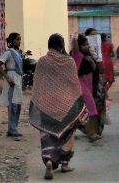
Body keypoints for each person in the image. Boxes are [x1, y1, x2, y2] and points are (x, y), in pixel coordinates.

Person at [29, 34, 85, 180]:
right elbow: (74, 84)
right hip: (66, 104)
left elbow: (37, 84)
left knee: (47, 135)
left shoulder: (42, 61)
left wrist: (37, 102)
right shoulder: (69, 61)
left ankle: (49, 160)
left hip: (46, 105)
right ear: (61, 44)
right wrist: (78, 101)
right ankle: (65, 163)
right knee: (68, 132)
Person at [71, 34, 101, 142]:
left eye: (87, 44)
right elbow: (74, 45)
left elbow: (94, 69)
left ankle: (73, 133)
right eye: (84, 45)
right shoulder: (77, 54)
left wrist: (90, 60)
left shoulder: (88, 56)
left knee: (77, 111)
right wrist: (75, 37)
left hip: (88, 85)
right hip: (80, 85)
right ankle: (91, 134)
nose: (87, 46)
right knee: (92, 109)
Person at [0, 32, 24, 139]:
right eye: (17, 39)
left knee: (17, 104)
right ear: (12, 41)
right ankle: (13, 129)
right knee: (13, 105)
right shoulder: (8, 53)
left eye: (20, 39)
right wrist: (7, 77)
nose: (19, 42)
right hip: (12, 79)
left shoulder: (18, 53)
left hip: (17, 79)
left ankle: (12, 128)